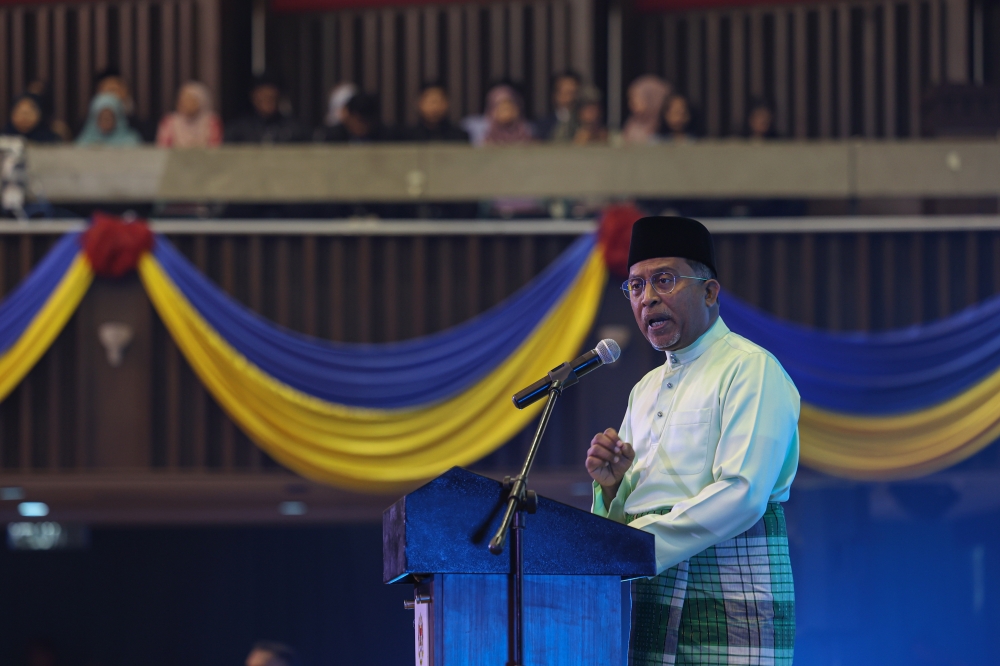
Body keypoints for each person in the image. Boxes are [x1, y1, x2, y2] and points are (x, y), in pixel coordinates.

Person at [587, 216, 799, 665]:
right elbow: (631, 509)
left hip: (731, 582)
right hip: (656, 589)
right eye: (636, 286)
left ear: (709, 292)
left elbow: (743, 493)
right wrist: (611, 486)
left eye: (664, 280)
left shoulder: (750, 369)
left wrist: (637, 545)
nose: (648, 299)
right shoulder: (643, 390)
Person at [225, 75, 309, 143]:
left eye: (271, 98)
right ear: (254, 98)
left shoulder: (293, 129)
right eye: (263, 98)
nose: (268, 102)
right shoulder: (239, 129)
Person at [93, 67, 155, 141]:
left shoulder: (142, 128)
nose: (113, 97)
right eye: (109, 91)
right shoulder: (83, 129)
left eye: (116, 90)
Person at [156, 81, 222, 148]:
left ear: (201, 102)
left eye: (190, 100)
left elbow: (214, 149)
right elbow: (163, 148)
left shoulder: (212, 121)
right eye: (182, 99)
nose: (184, 104)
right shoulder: (169, 121)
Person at [403, 82, 469, 142]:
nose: (435, 107)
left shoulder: (460, 136)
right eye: (430, 102)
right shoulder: (406, 137)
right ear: (419, 103)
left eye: (439, 101)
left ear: (447, 103)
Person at [318, 92, 395, 143]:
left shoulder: (385, 137)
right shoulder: (334, 137)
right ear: (349, 116)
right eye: (360, 121)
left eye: (367, 122)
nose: (363, 127)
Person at [75, 93, 142, 146]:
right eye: (101, 118)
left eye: (109, 118)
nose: (105, 121)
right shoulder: (84, 142)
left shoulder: (131, 142)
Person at [622, 75, 670, 145]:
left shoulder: (665, 126)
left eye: (634, 98)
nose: (630, 103)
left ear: (651, 99)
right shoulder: (632, 125)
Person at [536, 71, 581, 142]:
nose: (569, 98)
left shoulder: (583, 122)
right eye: (565, 93)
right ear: (555, 94)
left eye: (572, 93)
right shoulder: (543, 125)